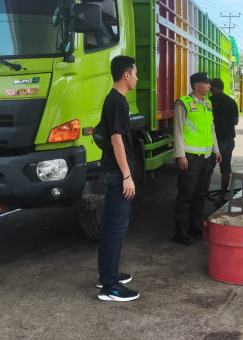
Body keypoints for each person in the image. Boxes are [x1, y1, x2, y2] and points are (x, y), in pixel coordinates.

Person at [96, 55, 139, 302]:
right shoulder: (116, 101)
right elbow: (116, 139)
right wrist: (127, 176)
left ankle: (108, 276)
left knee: (111, 225)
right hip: (117, 173)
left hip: (115, 172)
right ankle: (110, 286)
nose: (136, 78)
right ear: (126, 74)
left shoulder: (117, 100)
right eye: (134, 73)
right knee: (116, 227)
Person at [173, 72, 222, 245]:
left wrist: (216, 150)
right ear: (196, 86)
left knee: (201, 192)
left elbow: (212, 129)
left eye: (209, 84)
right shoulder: (183, 103)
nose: (209, 86)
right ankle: (180, 230)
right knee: (186, 194)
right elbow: (178, 130)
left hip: (206, 157)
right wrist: (180, 155)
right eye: (206, 83)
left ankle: (195, 224)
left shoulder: (208, 104)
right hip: (190, 157)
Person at [209, 78, 239, 207]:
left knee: (208, 169)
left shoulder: (209, 102)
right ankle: (221, 198)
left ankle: (201, 193)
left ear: (215, 87)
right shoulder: (231, 101)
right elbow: (236, 121)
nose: (209, 89)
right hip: (229, 140)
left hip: (215, 141)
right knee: (225, 169)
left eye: (211, 87)